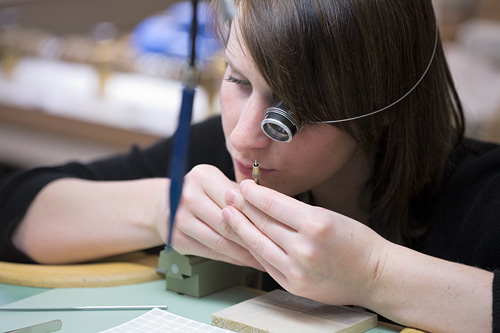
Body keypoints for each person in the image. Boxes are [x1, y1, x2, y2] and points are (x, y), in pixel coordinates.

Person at [0, 0, 499, 331]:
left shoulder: (483, 195)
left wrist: (374, 274)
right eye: (239, 81)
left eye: (290, 110)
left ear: (382, 104)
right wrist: (161, 207)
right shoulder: (217, 155)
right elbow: (16, 208)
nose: (242, 137)